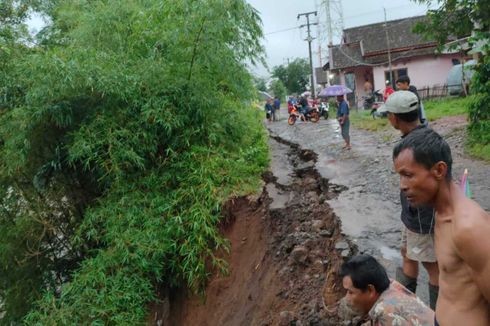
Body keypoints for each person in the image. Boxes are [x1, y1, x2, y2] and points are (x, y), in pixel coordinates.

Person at [393, 127, 490, 326]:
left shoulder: (468, 228)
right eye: (400, 176)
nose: (402, 186)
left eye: (408, 175)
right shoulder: (440, 212)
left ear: (439, 170)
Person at [377, 91, 439, 310]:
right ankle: (402, 306)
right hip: (413, 215)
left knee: (432, 266)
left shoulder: (409, 147)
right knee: (407, 254)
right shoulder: (426, 135)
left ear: (395, 117)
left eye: (388, 115)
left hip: (422, 215)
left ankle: (437, 315)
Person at [340, 254, 434, 326]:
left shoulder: (385, 314)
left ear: (370, 290)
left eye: (351, 292)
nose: (347, 298)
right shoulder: (392, 285)